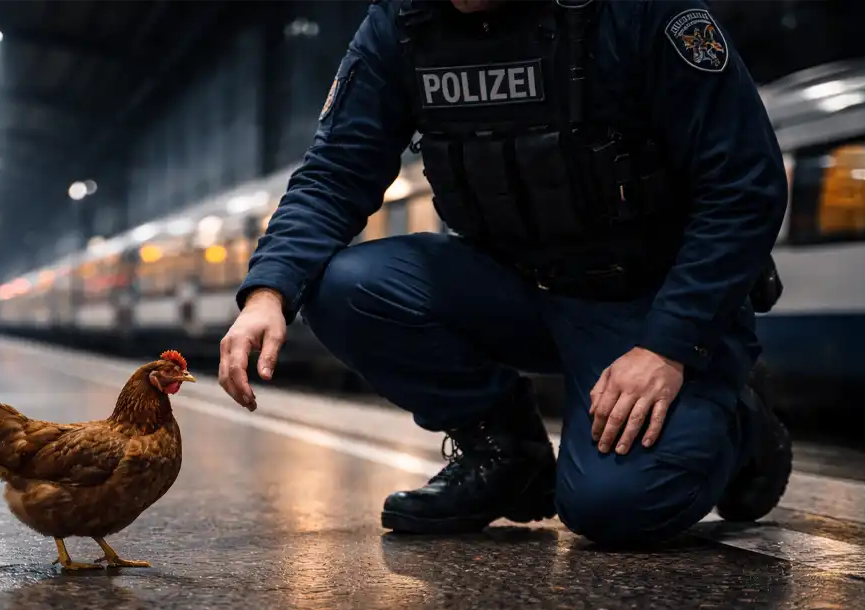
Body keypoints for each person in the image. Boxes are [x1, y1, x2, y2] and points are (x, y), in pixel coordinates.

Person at [218, 0, 792, 546]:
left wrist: (671, 345)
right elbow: (336, 172)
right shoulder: (402, 22)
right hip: (513, 289)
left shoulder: (638, 12)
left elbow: (743, 185)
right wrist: (268, 291)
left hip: (646, 305)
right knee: (343, 285)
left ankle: (742, 422)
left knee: (615, 508)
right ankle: (505, 454)